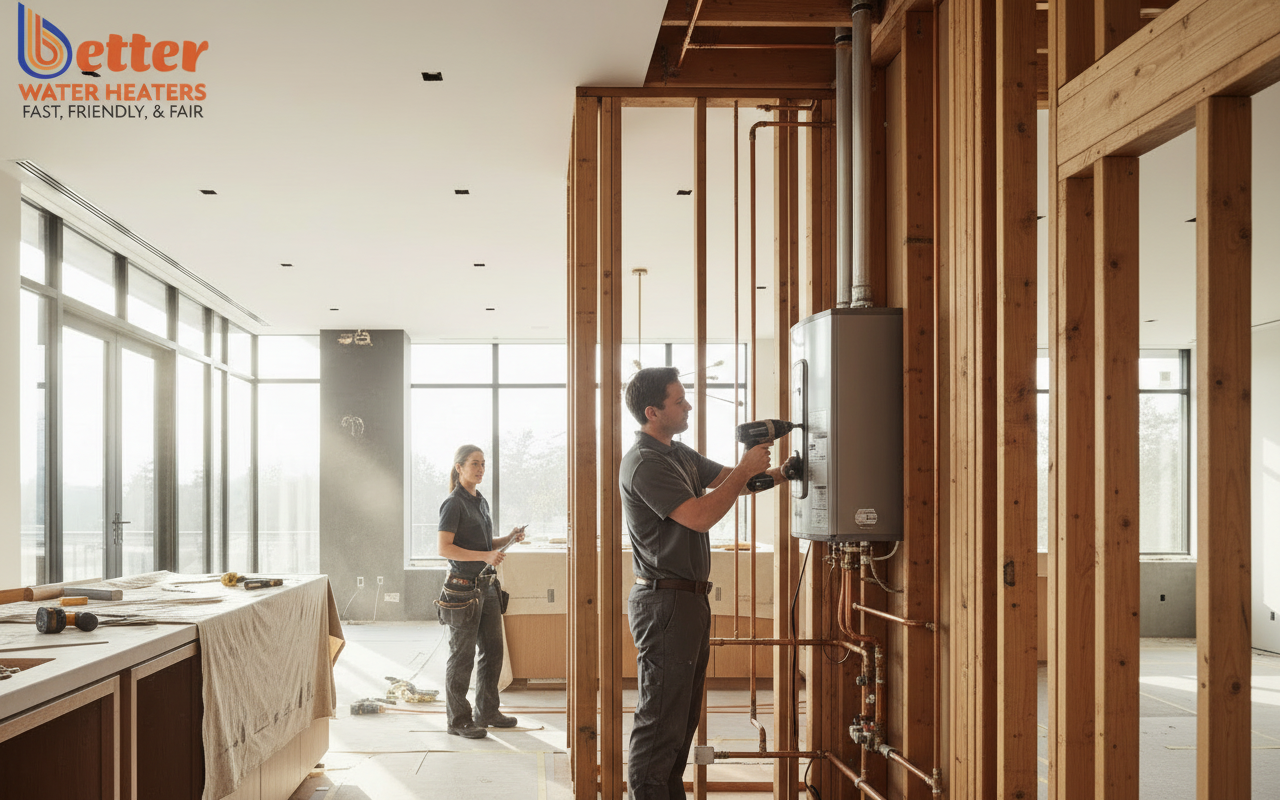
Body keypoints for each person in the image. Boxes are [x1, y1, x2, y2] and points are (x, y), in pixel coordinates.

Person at [620, 367, 783, 800]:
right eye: (679, 400)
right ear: (653, 412)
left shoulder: (677, 453)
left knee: (681, 718)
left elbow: (733, 481)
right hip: (665, 602)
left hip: (688, 602)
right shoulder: (645, 462)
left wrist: (785, 473)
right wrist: (746, 467)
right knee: (660, 720)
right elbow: (699, 515)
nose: (688, 404)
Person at [436, 444, 526, 740]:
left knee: (493, 651)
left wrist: (509, 538)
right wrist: (485, 557)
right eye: (474, 464)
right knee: (461, 657)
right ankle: (458, 720)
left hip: (486, 588)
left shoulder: (479, 500)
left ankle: (486, 711)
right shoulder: (453, 503)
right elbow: (444, 548)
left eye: (483, 464)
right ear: (459, 467)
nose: (480, 469)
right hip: (462, 590)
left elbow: (486, 543)